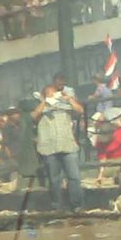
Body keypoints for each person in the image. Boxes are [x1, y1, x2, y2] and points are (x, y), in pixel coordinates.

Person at [28, 74, 81, 210]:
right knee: (54, 179)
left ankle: (77, 205)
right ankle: (57, 205)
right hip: (49, 147)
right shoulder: (41, 108)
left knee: (74, 177)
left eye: (54, 94)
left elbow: (80, 110)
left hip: (67, 145)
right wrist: (46, 102)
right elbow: (33, 116)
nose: (53, 97)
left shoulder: (65, 105)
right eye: (50, 94)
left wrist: (68, 99)